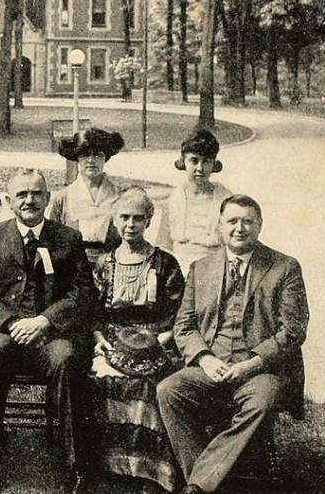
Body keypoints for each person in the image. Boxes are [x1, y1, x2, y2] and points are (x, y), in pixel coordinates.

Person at [157, 195, 309, 494]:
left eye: (248, 221)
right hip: (212, 364)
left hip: (260, 370)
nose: (240, 228)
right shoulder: (202, 268)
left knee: (261, 402)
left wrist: (252, 363)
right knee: (168, 391)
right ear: (220, 226)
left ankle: (199, 485)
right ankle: (213, 480)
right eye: (232, 221)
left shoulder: (284, 267)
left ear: (260, 225)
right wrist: (205, 359)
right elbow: (184, 325)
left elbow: (293, 329)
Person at [0, 168, 97, 494]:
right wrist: (12, 322)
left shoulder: (67, 238)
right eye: (22, 195)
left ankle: (76, 464)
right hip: (7, 332)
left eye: (36, 194)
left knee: (66, 357)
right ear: (9, 201)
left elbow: (82, 294)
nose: (29, 200)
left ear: (48, 199)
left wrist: (45, 321)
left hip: (51, 334)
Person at [90, 188, 185, 492]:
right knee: (102, 382)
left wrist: (161, 339)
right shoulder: (104, 263)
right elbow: (91, 309)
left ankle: (150, 472)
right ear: (114, 219)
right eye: (124, 217)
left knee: (151, 387)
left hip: (157, 339)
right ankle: (110, 468)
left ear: (149, 221)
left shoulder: (165, 263)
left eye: (138, 218)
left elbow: (179, 311)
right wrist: (97, 338)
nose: (131, 224)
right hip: (111, 339)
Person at [155, 129, 233, 275]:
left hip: (215, 270)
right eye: (194, 160)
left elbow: (234, 244)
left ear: (213, 164)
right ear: (184, 162)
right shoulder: (173, 200)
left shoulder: (226, 200)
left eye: (206, 161)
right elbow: (163, 244)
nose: (200, 168)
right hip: (177, 271)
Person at [50, 127, 124, 262]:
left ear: (106, 158)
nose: (91, 160)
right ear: (77, 158)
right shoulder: (64, 198)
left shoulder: (120, 197)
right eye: (85, 155)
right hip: (72, 268)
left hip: (111, 266)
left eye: (97, 155)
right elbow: (52, 240)